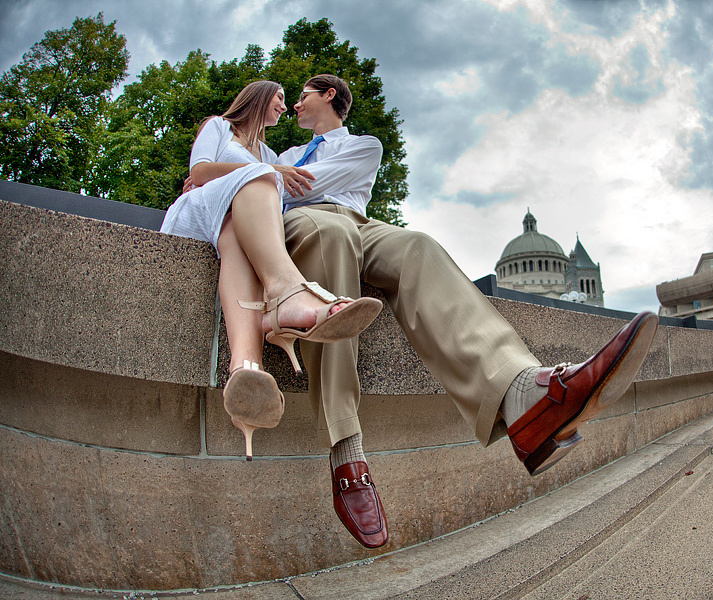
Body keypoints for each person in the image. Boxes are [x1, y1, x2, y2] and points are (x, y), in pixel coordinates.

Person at [274, 74, 658, 549]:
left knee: (418, 244)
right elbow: (275, 195)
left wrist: (271, 178)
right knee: (330, 237)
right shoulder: (285, 156)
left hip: (359, 222)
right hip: (309, 228)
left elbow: (300, 185)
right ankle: (346, 452)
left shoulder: (363, 145)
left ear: (328, 95)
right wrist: (269, 177)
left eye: (303, 96)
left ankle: (523, 395)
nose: (293, 105)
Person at [160, 80, 382, 461]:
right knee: (261, 179)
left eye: (293, 99)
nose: (287, 106)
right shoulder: (219, 127)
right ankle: (286, 294)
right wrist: (265, 170)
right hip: (200, 212)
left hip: (234, 225)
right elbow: (199, 173)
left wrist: (268, 168)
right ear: (259, 96)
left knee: (238, 237)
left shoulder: (268, 151)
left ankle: (245, 368)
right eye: (280, 98)